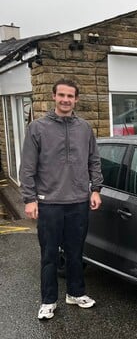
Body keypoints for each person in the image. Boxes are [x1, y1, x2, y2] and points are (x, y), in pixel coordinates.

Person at [19, 79, 103, 320]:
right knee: (49, 254)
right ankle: (48, 300)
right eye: (62, 95)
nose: (66, 100)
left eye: (71, 96)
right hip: (49, 203)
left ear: (76, 99)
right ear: (54, 97)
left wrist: (95, 189)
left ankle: (75, 293)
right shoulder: (38, 128)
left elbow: (94, 160)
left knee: (76, 252)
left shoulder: (85, 128)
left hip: (78, 201)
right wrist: (29, 198)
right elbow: (27, 167)